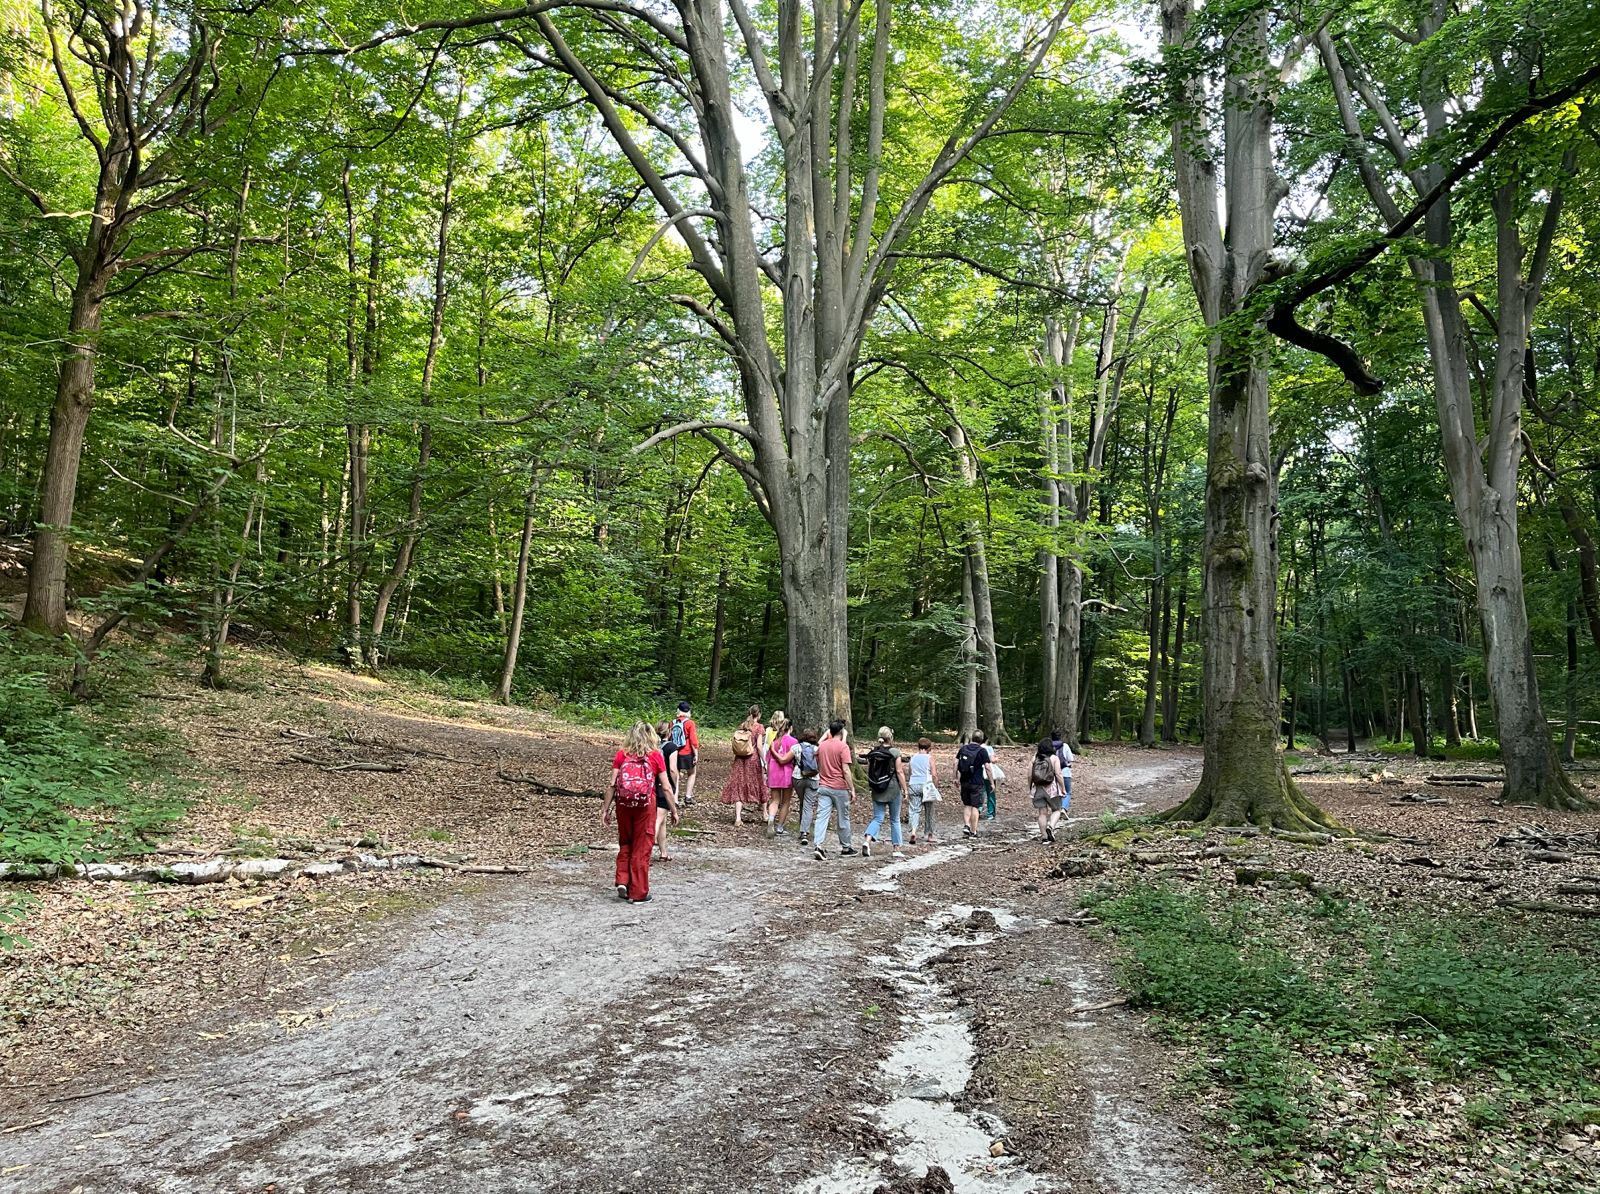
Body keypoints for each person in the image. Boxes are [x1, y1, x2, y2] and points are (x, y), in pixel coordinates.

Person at [605, 721, 673, 903]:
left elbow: (612, 785)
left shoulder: (622, 755)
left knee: (626, 842)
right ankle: (638, 893)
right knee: (642, 847)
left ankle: (622, 880)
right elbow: (666, 787)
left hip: (623, 805)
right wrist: (673, 809)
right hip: (645, 806)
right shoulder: (655, 756)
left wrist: (605, 809)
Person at [812, 720, 859, 860]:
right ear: (842, 732)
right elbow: (846, 769)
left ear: (830, 731)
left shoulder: (822, 746)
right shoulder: (843, 747)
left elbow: (816, 759)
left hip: (823, 785)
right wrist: (852, 789)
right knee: (843, 817)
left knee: (821, 816)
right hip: (839, 787)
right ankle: (846, 847)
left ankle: (818, 845)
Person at [861, 727, 908, 857]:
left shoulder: (873, 752)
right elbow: (899, 771)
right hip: (892, 788)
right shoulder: (895, 752)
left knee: (878, 818)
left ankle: (867, 841)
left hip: (877, 788)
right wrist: (905, 789)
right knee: (894, 819)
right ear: (891, 737)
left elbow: (870, 771)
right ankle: (896, 849)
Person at [720, 705, 766, 826]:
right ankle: (765, 814)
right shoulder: (759, 727)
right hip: (753, 759)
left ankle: (738, 818)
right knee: (759, 783)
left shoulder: (742, 725)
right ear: (759, 714)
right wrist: (764, 761)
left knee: (739, 785)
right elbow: (760, 746)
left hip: (740, 759)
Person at [764, 714, 798, 837]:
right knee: (786, 801)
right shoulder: (794, 742)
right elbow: (792, 759)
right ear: (791, 728)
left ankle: (771, 819)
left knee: (774, 800)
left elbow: (767, 759)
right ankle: (779, 827)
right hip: (787, 773)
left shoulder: (775, 742)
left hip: (774, 772)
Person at [652, 721, 681, 861]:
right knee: (658, 819)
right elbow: (673, 769)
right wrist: (674, 784)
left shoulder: (652, 747)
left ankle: (663, 853)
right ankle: (647, 847)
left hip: (652, 785)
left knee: (662, 820)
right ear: (669, 732)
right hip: (664, 786)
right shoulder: (672, 747)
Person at [1029, 738, 1065, 843]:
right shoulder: (1054, 758)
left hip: (1038, 788)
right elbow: (1058, 774)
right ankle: (1051, 826)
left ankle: (1044, 836)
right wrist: (1063, 788)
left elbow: (1029, 775)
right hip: (1052, 789)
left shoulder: (1034, 758)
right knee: (1057, 809)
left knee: (1042, 813)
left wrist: (1030, 787)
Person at [905, 738, 941, 845]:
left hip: (914, 784)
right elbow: (934, 774)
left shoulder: (913, 758)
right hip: (926, 785)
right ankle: (929, 834)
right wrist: (936, 785)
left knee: (914, 810)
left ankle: (913, 831)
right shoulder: (930, 758)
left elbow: (910, 773)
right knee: (929, 810)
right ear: (929, 748)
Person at [955, 730, 989, 838]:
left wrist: (955, 778)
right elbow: (988, 767)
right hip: (977, 782)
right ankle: (973, 831)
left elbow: (955, 763)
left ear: (972, 738)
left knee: (967, 805)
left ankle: (966, 825)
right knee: (975, 806)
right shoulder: (982, 751)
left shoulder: (963, 749)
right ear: (981, 739)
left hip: (964, 781)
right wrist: (992, 782)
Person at [793, 729, 821, 846]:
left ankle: (802, 828)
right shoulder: (817, 750)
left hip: (798, 778)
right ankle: (804, 832)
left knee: (802, 802)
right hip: (813, 779)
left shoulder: (796, 747)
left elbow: (785, 759)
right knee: (808, 805)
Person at [673, 701, 701, 806]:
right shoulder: (690, 723)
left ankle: (675, 798)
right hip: (687, 752)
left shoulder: (673, 722)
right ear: (688, 711)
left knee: (676, 775)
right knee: (692, 773)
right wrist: (696, 754)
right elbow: (693, 741)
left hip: (675, 752)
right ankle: (688, 796)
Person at [1051, 728, 1074, 817]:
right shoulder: (1065, 746)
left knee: (1057, 792)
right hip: (1065, 772)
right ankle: (1063, 808)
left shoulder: (1048, 746)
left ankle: (1057, 809)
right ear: (1060, 737)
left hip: (1052, 773)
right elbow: (1070, 759)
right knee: (1067, 792)